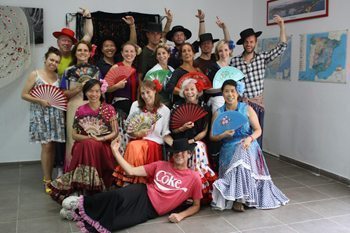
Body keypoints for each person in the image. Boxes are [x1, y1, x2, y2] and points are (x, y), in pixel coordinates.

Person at [59, 138, 202, 232]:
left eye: (183, 152)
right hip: (143, 192)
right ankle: (79, 204)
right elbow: (131, 170)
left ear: (189, 154)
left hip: (151, 209)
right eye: (176, 152)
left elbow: (196, 206)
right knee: (116, 196)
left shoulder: (194, 177)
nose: (179, 155)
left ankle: (77, 214)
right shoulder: (161, 165)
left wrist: (181, 215)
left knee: (118, 222)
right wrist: (115, 151)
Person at [210, 79, 288, 212]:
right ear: (222, 94)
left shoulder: (247, 109)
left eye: (232, 91)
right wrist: (224, 135)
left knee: (242, 151)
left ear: (237, 93)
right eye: (226, 91)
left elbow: (258, 130)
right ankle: (239, 197)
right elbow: (212, 136)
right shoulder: (219, 113)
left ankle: (240, 199)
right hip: (228, 146)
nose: (230, 94)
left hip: (248, 143)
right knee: (239, 152)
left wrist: (249, 139)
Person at [49, 79, 118, 203]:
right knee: (88, 144)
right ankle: (92, 185)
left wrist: (100, 138)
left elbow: (115, 132)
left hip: (103, 145)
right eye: (90, 91)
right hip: (84, 144)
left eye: (97, 91)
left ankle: (84, 187)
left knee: (88, 145)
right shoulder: (80, 110)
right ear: (85, 92)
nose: (94, 94)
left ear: (101, 92)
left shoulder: (109, 108)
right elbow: (74, 135)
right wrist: (90, 138)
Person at [230, 15, 287, 148]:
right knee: (240, 135)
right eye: (246, 42)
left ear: (255, 42)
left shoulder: (262, 58)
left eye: (251, 41)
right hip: (240, 104)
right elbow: (230, 83)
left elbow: (282, 48)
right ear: (243, 43)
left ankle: (257, 163)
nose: (249, 44)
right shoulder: (235, 61)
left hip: (257, 104)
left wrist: (282, 26)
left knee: (256, 134)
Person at [21, 47, 66, 194]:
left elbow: (60, 96)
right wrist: (39, 100)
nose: (53, 63)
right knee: (46, 147)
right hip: (41, 115)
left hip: (55, 115)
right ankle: (47, 180)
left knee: (52, 146)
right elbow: (24, 95)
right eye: (51, 60)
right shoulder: (35, 74)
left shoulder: (58, 77)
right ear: (45, 59)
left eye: (57, 61)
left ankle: (50, 178)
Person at [113, 80, 172, 186]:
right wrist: (137, 133)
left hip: (154, 144)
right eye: (142, 93)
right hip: (136, 140)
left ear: (155, 91)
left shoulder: (165, 110)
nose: (145, 96)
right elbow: (129, 129)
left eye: (148, 92)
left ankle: (130, 179)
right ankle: (132, 179)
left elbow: (165, 134)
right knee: (133, 145)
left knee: (134, 146)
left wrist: (175, 144)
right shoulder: (135, 105)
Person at [171, 78, 216, 203]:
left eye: (192, 89)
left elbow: (205, 131)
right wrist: (182, 128)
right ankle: (184, 186)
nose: (189, 92)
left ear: (197, 91)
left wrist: (193, 140)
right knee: (184, 148)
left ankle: (198, 186)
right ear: (183, 92)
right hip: (180, 140)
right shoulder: (177, 105)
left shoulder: (204, 107)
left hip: (197, 140)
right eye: (186, 90)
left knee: (197, 147)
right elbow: (173, 130)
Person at [60, 41, 101, 170]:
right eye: (79, 50)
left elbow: (101, 89)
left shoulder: (96, 71)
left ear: (89, 53)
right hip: (74, 106)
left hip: (93, 106)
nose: (82, 53)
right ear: (75, 53)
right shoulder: (68, 71)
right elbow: (63, 94)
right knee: (72, 139)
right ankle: (72, 172)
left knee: (92, 138)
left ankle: (91, 172)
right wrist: (78, 88)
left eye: (85, 50)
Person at [53, 7, 94, 77]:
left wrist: (88, 17)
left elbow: (88, 34)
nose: (66, 43)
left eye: (69, 41)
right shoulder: (54, 57)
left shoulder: (76, 53)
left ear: (72, 44)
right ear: (58, 42)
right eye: (63, 40)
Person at [193, 10, 232, 77]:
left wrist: (224, 28)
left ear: (213, 45)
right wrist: (201, 20)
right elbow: (201, 37)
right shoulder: (196, 63)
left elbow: (228, 45)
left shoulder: (216, 57)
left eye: (208, 43)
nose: (206, 45)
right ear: (200, 46)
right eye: (203, 43)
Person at [105, 41, 139, 116]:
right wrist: (117, 86)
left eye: (132, 51)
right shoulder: (116, 67)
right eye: (126, 51)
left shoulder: (134, 70)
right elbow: (105, 88)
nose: (129, 54)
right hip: (120, 105)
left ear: (135, 53)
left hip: (133, 106)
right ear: (122, 53)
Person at [138, 8, 173, 79]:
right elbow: (140, 74)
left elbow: (165, 33)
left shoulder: (161, 45)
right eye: (152, 33)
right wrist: (140, 86)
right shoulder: (145, 52)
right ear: (148, 35)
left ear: (160, 35)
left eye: (158, 34)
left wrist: (169, 21)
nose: (155, 36)